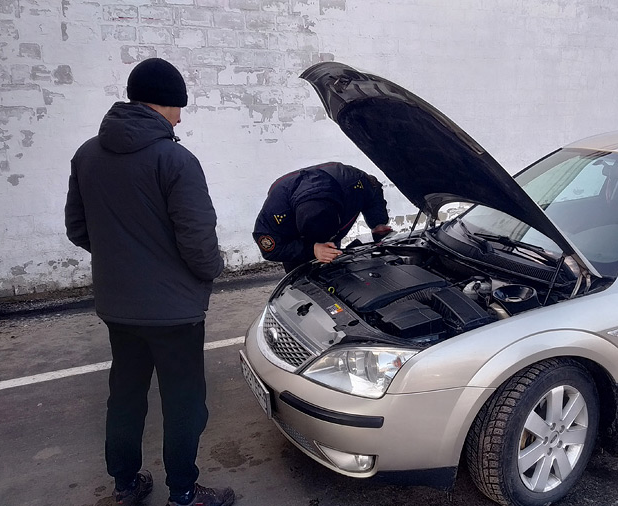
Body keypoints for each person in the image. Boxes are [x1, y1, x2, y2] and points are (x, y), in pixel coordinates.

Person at [64, 58, 235, 506]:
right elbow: (198, 243)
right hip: (175, 312)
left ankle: (125, 485)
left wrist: (122, 260)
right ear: (166, 105)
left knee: (125, 395)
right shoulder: (175, 160)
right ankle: (183, 492)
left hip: (118, 306)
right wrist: (211, 272)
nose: (182, 116)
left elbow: (78, 229)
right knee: (184, 404)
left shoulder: (86, 154)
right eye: (180, 107)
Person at [253, 162, 393, 272]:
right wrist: (311, 249)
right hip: (296, 243)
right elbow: (271, 249)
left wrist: (378, 223)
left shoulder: (353, 183)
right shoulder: (276, 210)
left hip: (336, 202)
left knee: (334, 271)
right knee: (301, 285)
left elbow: (373, 191)